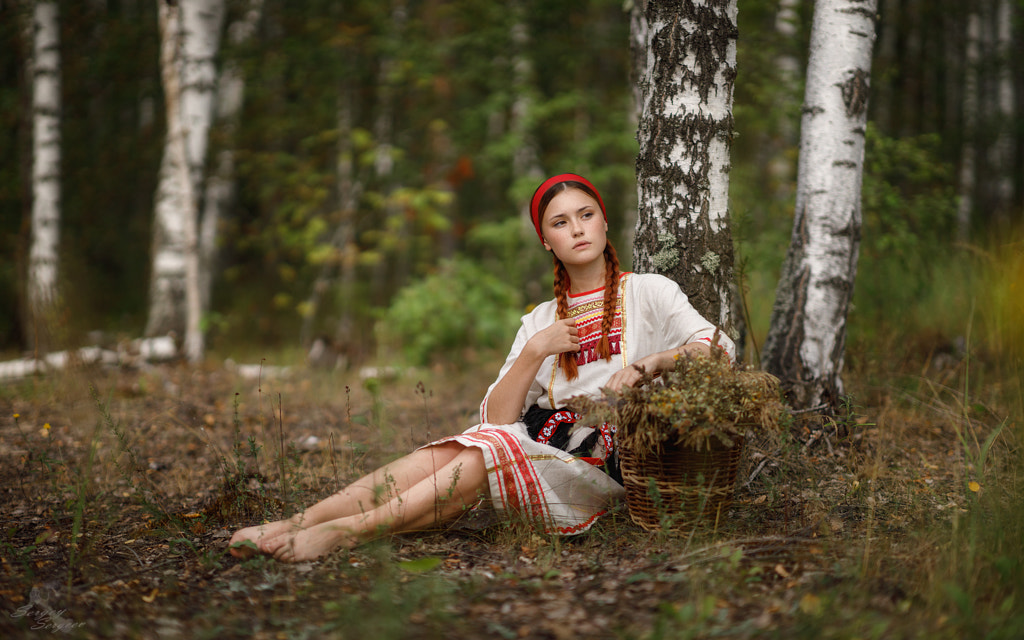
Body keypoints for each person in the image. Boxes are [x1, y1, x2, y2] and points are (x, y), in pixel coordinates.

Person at [229, 173, 735, 562]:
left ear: (605, 221)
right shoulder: (540, 320)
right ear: (546, 240)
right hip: (542, 449)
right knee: (455, 448)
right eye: (560, 222)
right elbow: (495, 417)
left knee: (484, 451)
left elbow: (717, 348)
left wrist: (652, 364)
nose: (577, 229)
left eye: (586, 215)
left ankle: (346, 532)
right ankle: (296, 522)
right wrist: (536, 349)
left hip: (607, 465)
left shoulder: (649, 291)